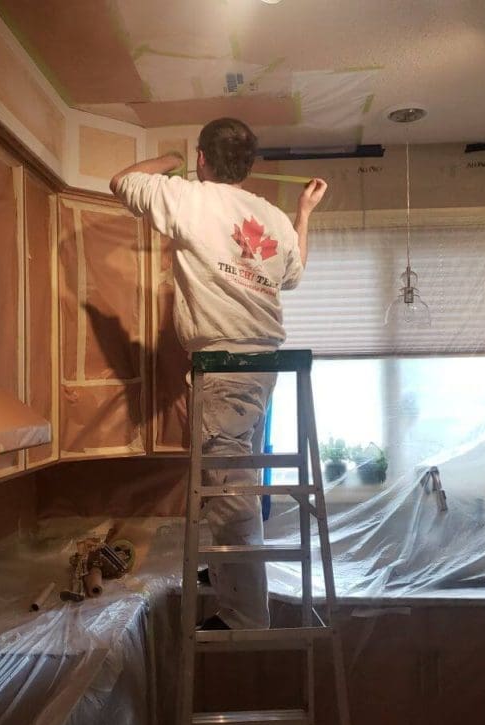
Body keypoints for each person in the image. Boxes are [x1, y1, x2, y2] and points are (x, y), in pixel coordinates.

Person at [111, 117, 327, 630]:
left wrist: (169, 159)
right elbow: (293, 275)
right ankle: (231, 576)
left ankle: (245, 615)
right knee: (233, 478)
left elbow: (122, 181)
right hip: (262, 365)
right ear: (247, 168)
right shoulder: (271, 216)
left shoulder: (191, 198)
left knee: (230, 494)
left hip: (226, 365)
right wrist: (304, 214)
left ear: (202, 159)